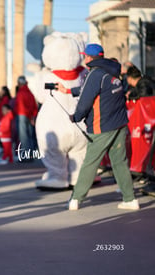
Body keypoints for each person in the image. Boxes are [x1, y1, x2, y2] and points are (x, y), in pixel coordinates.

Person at [60, 43, 139, 211]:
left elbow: (85, 100)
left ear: (89, 57)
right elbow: (89, 89)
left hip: (102, 126)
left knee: (90, 163)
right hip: (120, 123)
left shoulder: (94, 74)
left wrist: (76, 117)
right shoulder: (112, 70)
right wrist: (68, 91)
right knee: (119, 162)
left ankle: (75, 199)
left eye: (85, 56)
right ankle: (130, 199)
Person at [13, 76, 38, 159]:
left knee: (23, 136)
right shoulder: (30, 93)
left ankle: (25, 156)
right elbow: (35, 106)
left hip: (22, 115)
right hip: (30, 116)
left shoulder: (20, 93)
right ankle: (31, 155)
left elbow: (21, 107)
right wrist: (32, 116)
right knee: (30, 136)